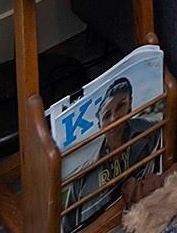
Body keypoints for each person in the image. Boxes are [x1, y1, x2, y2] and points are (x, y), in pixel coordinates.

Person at [60, 77, 164, 231]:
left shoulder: (150, 131)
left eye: (121, 105)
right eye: (107, 115)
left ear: (130, 103)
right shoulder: (83, 174)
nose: (115, 118)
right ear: (99, 123)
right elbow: (69, 225)